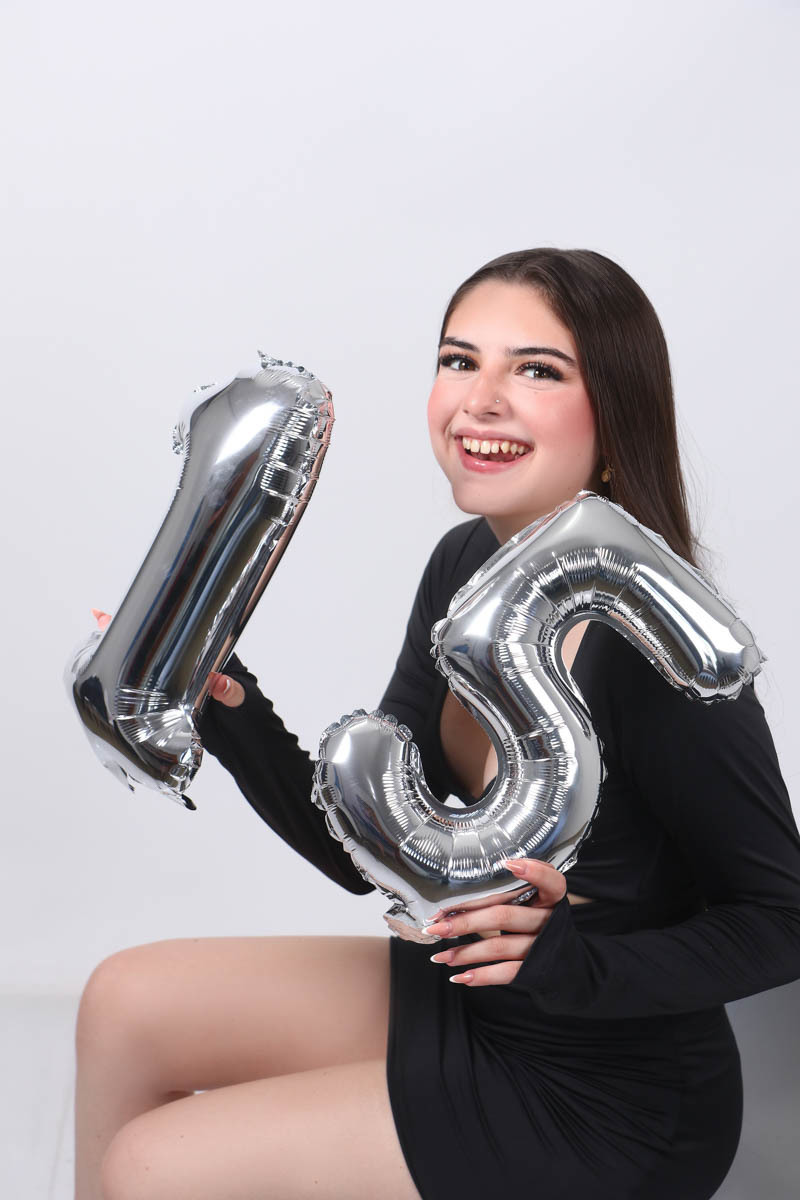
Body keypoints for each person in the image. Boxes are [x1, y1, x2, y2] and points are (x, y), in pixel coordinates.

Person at [76, 248, 800, 1200]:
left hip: (607, 1093)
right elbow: (364, 853)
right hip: (469, 999)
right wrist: (227, 701)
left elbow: (781, 920)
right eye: (460, 360)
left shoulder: (649, 641)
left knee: (152, 1163)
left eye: (536, 370)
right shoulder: (463, 566)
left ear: (614, 417)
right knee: (121, 1004)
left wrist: (573, 963)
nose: (479, 400)